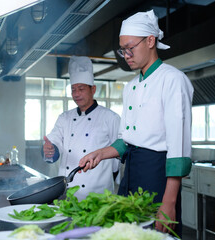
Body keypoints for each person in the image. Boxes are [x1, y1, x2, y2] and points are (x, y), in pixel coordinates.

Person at [78, 10, 193, 236]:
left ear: (151, 41)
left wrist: (169, 201)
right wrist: (100, 153)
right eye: (122, 50)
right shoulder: (130, 87)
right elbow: (126, 141)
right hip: (130, 173)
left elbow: (178, 148)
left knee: (155, 235)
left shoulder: (172, 80)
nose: (126, 55)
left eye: (130, 48)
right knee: (125, 234)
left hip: (158, 175)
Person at [42, 56, 121, 201]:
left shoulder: (111, 118)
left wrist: (110, 177)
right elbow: (54, 143)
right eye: (73, 89)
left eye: (81, 89)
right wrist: (50, 150)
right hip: (68, 194)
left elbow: (118, 155)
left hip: (98, 195)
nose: (76, 94)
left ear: (93, 89)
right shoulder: (64, 118)